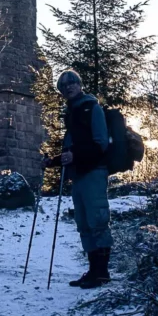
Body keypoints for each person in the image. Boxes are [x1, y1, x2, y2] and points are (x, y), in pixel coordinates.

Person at [44, 69, 112, 288]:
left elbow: (101, 143)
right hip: (79, 174)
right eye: (63, 86)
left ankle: (101, 273)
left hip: (94, 172)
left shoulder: (92, 108)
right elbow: (72, 149)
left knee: (97, 220)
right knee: (84, 223)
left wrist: (75, 155)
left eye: (72, 83)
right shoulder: (72, 112)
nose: (68, 87)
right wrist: (54, 161)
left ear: (79, 84)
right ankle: (93, 271)